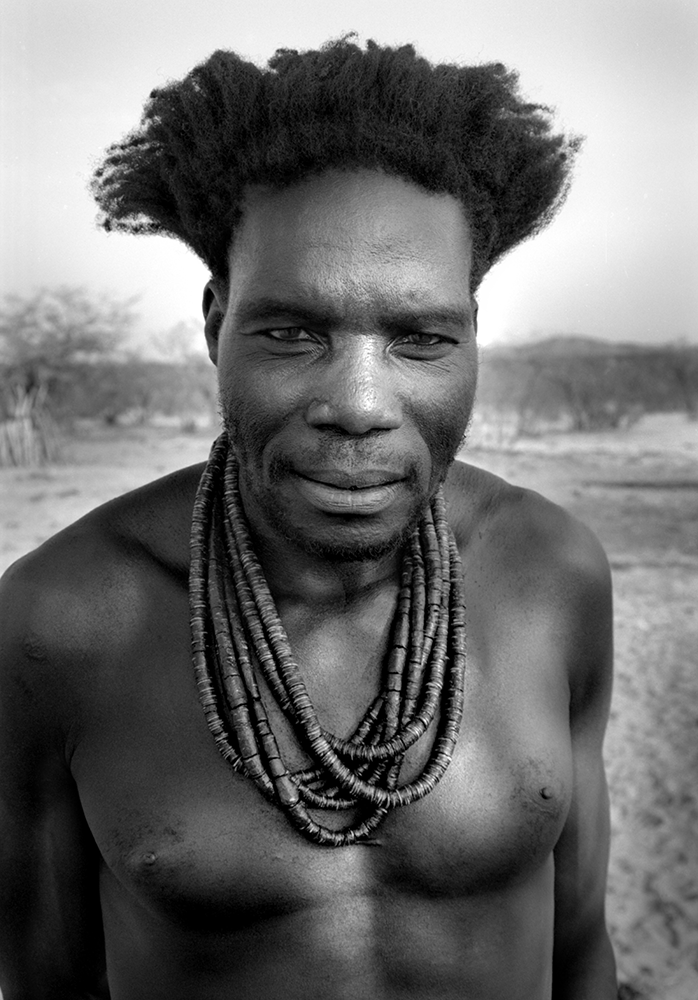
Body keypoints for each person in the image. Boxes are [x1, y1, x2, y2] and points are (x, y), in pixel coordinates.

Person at [0, 39, 618, 999]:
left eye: (419, 339)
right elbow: (45, 977)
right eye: (292, 332)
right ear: (215, 325)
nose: (361, 402)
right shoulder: (60, 621)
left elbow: (581, 947)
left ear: (470, 337)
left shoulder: (554, 573)